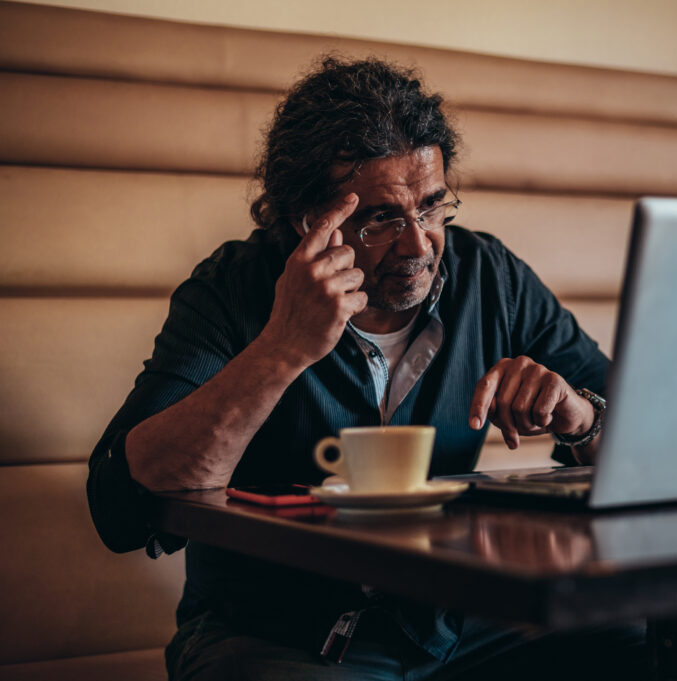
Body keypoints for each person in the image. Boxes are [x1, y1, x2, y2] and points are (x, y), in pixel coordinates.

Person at [87, 56, 648, 680]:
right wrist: (283, 348)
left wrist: (578, 416)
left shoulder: (491, 277)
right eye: (381, 218)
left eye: (432, 208)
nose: (418, 244)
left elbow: (648, 449)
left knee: (643, 637)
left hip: (453, 625)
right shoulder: (233, 288)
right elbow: (118, 505)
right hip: (271, 635)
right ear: (307, 219)